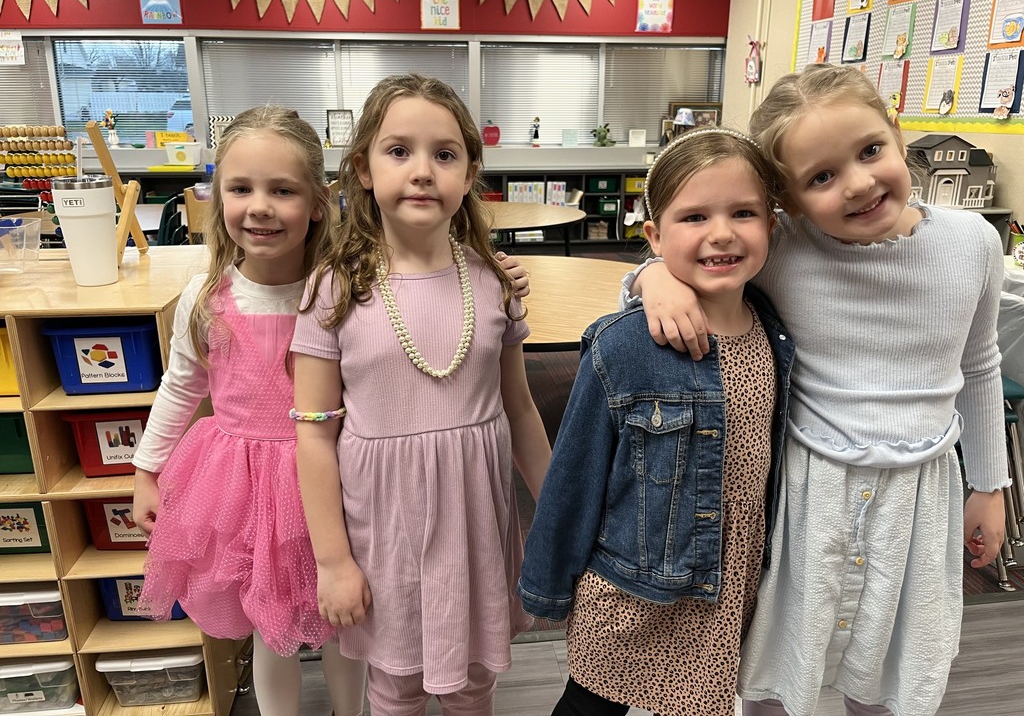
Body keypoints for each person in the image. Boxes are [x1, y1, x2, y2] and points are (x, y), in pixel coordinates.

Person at [625, 64, 1009, 716]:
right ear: (790, 203)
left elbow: (979, 365)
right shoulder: (785, 251)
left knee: (893, 672)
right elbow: (693, 260)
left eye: (869, 151)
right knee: (782, 670)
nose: (858, 183)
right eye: (822, 177)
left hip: (921, 496)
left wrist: (990, 484)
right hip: (808, 493)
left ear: (896, 131)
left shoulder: (973, 242)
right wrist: (654, 279)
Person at [290, 73, 552, 715]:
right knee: (395, 685)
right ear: (362, 168)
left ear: (469, 174)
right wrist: (332, 562)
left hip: (475, 521)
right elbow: (313, 433)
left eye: (444, 154)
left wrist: (555, 513)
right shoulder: (334, 288)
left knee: (471, 682)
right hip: (383, 529)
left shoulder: (492, 283)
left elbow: (518, 408)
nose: (422, 171)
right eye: (398, 150)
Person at [518, 127, 794, 716]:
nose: (721, 233)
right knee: (592, 703)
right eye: (693, 217)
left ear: (771, 225)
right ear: (653, 236)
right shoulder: (623, 347)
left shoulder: (777, 331)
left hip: (730, 581)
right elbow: (576, 474)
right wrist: (549, 581)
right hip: (636, 585)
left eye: (743, 212)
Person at [130, 106, 368, 716]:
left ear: (317, 202)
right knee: (270, 624)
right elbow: (181, 385)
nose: (259, 206)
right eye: (240, 188)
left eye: (281, 190)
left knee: (347, 615)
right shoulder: (206, 297)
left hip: (337, 478)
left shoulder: (342, 289)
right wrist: (146, 471)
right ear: (218, 198)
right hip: (241, 486)